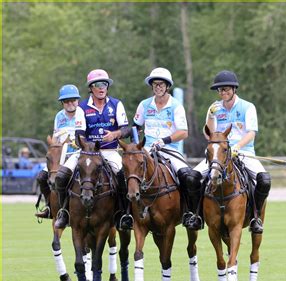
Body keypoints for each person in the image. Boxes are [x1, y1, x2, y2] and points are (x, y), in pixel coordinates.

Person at [183, 70, 271, 234]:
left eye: (227, 89)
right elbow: (208, 133)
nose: (223, 92)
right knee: (192, 177)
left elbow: (251, 133)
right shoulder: (215, 108)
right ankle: (196, 215)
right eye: (221, 90)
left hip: (243, 152)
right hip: (219, 155)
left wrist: (236, 147)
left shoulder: (247, 107)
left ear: (234, 89)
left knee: (264, 180)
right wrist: (210, 115)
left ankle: (255, 218)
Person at [54, 69, 132, 230]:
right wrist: (87, 146)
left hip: (110, 151)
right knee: (62, 176)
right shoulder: (82, 107)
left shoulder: (116, 104)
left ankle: (124, 214)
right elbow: (79, 134)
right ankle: (64, 212)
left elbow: (126, 129)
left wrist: (115, 134)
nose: (101, 87)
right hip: (87, 153)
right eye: (97, 84)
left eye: (104, 84)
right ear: (91, 88)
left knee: (122, 176)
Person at [133, 67, 194, 217]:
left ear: (167, 86)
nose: (158, 87)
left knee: (187, 176)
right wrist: (135, 145)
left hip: (169, 149)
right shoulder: (144, 105)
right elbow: (135, 126)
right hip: (146, 149)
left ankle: (189, 212)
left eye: (161, 84)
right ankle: (125, 213)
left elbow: (183, 132)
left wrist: (163, 141)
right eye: (155, 84)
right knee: (126, 174)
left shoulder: (176, 106)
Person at [35, 84, 80, 219]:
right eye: (66, 101)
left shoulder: (83, 114)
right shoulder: (59, 116)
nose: (70, 103)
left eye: (73, 100)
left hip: (78, 154)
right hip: (59, 157)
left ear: (77, 100)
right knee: (41, 177)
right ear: (62, 103)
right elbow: (55, 137)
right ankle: (49, 206)